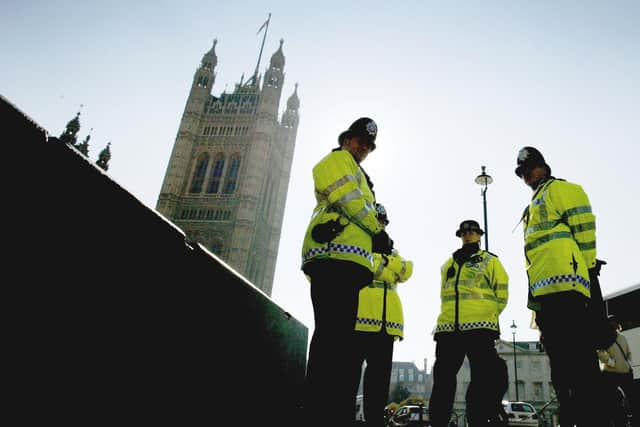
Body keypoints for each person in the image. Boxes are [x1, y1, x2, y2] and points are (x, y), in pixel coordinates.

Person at [300, 117, 393, 427]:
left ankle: (332, 411)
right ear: (347, 139)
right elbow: (348, 200)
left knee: (339, 342)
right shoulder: (338, 160)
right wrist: (376, 229)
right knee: (330, 339)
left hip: (349, 263)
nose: (364, 148)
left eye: (369, 145)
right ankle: (317, 410)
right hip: (332, 257)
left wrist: (377, 235)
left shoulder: (360, 173)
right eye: (360, 141)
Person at [515, 146, 610, 427]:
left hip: (570, 288)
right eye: (522, 173)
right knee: (560, 370)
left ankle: (594, 419)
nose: (526, 176)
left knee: (581, 363)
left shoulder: (562, 190)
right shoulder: (530, 208)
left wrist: (589, 267)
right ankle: (570, 418)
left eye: (530, 169)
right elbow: (531, 257)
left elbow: (585, 229)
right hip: (546, 296)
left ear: (544, 167)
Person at [428, 220, 509, 427]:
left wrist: (488, 316)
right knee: (443, 381)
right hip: (448, 329)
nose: (468, 235)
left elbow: (501, 294)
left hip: (479, 328)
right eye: (464, 232)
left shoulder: (490, 261)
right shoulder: (448, 264)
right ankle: (438, 422)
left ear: (479, 235)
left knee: (481, 380)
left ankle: (478, 421)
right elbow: (444, 295)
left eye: (472, 232)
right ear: (460, 236)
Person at [353, 203, 413, 427]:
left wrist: (385, 260)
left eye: (382, 221)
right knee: (349, 377)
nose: (380, 224)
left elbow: (407, 270)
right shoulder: (359, 243)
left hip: (387, 324)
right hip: (359, 319)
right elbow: (370, 267)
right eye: (376, 219)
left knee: (378, 381)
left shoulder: (392, 250)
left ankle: (375, 422)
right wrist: (389, 268)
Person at [597, 314, 635, 427]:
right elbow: (600, 352)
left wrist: (628, 365)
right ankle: (617, 420)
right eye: (610, 322)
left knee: (632, 397)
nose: (613, 324)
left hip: (624, 372)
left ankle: (632, 418)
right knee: (612, 399)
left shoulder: (622, 337)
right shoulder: (604, 337)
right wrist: (612, 363)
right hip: (611, 373)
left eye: (614, 322)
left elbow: (628, 353)